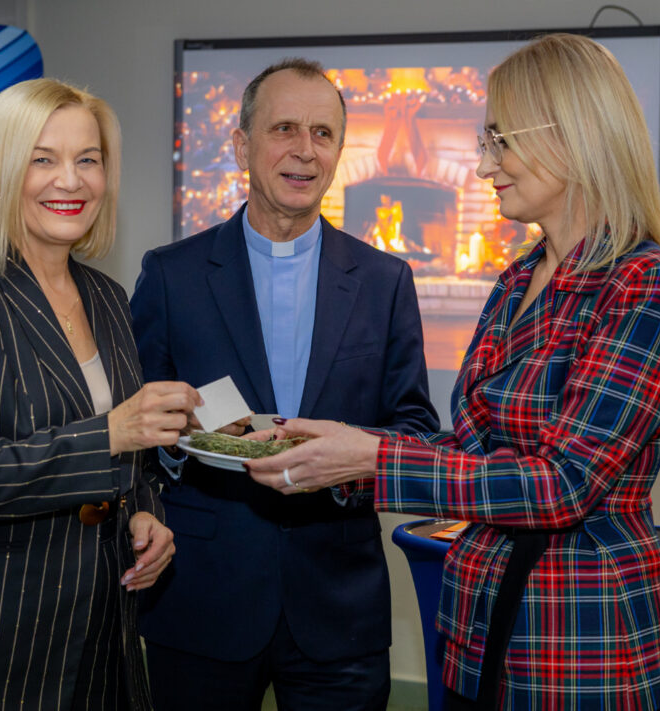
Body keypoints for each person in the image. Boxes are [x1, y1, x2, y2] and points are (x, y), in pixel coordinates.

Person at [246, 34, 660, 711]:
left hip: (581, 653)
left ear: (570, 136)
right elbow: (473, 447)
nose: (486, 165)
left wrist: (371, 458)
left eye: (500, 142)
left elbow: (565, 485)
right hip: (477, 634)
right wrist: (340, 447)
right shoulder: (518, 279)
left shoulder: (647, 284)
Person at [0, 78, 201, 711]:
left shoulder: (106, 296)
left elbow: (128, 460)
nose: (70, 181)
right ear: (1, 171)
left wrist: (144, 512)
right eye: (42, 159)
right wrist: (111, 433)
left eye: (88, 160)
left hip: (99, 631)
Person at [129, 58, 439, 711]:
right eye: (285, 129)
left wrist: (343, 459)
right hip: (202, 599)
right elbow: (136, 428)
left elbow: (415, 428)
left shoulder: (385, 282)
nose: (305, 150)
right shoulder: (171, 276)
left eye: (323, 133)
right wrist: (179, 444)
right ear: (242, 146)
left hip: (339, 606)